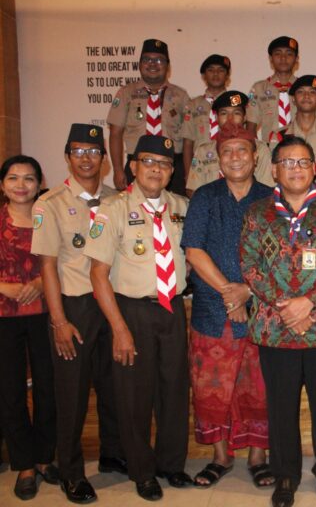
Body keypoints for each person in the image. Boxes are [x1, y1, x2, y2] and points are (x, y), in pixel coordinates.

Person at [240, 135, 316, 507]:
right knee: (281, 408)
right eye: (288, 162)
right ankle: (285, 476)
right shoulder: (258, 213)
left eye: (304, 162)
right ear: (274, 170)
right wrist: (286, 308)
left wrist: (307, 302)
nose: (296, 169)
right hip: (276, 328)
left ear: (313, 169)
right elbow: (250, 266)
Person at [84, 135, 192, 501]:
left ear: (172, 170)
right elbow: (98, 274)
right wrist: (119, 329)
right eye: (148, 161)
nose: (156, 169)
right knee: (134, 396)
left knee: (174, 390)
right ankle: (142, 471)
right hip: (132, 310)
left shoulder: (182, 206)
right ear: (133, 167)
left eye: (164, 163)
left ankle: (171, 464)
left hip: (172, 308)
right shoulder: (112, 209)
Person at [31, 124, 126, 504]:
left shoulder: (118, 199)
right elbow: (47, 266)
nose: (87, 158)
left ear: (105, 160)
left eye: (94, 151)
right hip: (75, 305)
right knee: (71, 394)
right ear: (68, 157)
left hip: (113, 303)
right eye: (79, 151)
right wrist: (59, 321)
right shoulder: (49, 203)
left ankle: (113, 453)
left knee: (114, 385)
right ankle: (71, 472)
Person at [182, 123, 273, 488]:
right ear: (219, 159)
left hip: (261, 311)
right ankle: (220, 457)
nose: (235, 157)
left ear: (255, 156)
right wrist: (228, 293)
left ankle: (258, 457)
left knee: (259, 387)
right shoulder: (205, 196)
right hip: (212, 311)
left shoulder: (271, 198)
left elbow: (281, 257)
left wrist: (247, 292)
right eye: (227, 151)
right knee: (211, 389)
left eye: (242, 150)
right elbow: (193, 251)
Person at [0, 155, 58, 501]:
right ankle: (23, 464)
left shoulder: (49, 217)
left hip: (45, 313)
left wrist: (39, 281)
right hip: (4, 315)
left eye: (29, 178)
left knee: (49, 387)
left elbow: (67, 258)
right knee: (10, 391)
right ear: (2, 184)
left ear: (39, 184)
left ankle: (44, 457)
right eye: (13, 178)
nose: (21, 185)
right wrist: (4, 287)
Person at [108, 38, 190, 195]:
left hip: (173, 166)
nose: (153, 64)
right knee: (134, 208)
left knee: (177, 208)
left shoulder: (181, 95)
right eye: (147, 59)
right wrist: (118, 170)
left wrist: (189, 173)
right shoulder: (126, 93)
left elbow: (189, 139)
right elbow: (115, 133)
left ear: (167, 66)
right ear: (140, 64)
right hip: (137, 164)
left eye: (159, 60)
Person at [268, 75, 316, 199]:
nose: (306, 96)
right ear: (293, 99)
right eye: (301, 92)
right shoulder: (279, 136)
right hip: (289, 200)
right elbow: (275, 174)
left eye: (312, 92)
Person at [182, 54, 231, 196]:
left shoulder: (235, 102)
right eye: (211, 70)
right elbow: (188, 142)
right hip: (201, 167)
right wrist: (188, 174)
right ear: (204, 76)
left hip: (229, 164)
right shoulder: (193, 105)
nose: (215, 74)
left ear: (227, 75)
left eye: (220, 70)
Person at [246, 36, 300, 140]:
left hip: (299, 147)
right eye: (278, 53)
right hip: (269, 147)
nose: (283, 58)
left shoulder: (305, 89)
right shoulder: (258, 88)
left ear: (296, 59)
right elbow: (250, 127)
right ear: (271, 58)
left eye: (289, 53)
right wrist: (258, 148)